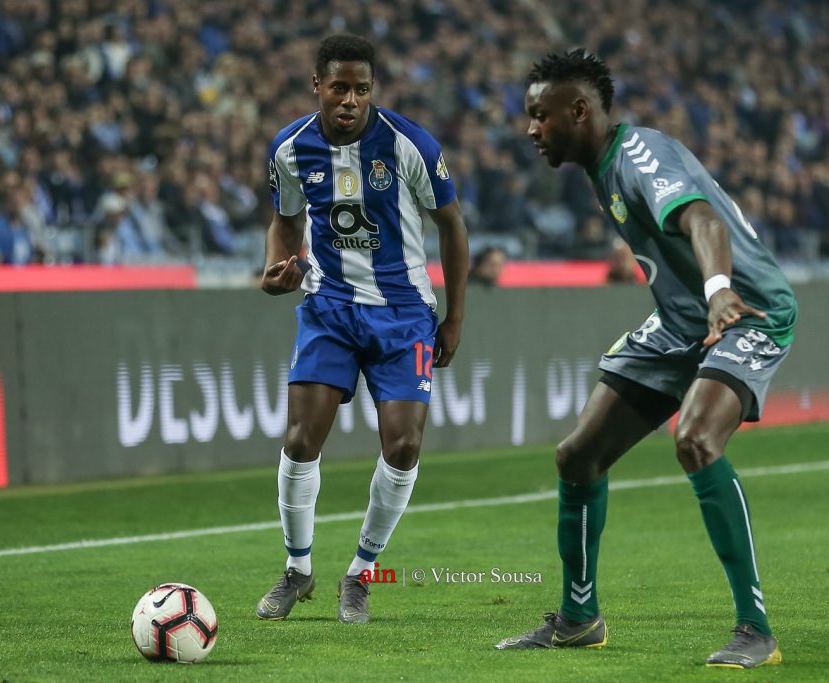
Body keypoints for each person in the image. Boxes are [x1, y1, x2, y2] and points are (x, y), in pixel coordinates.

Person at [495, 49, 797, 670]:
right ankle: (579, 618)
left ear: (580, 111)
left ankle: (755, 628)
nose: (531, 129)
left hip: (746, 309)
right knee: (577, 456)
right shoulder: (602, 166)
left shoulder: (640, 156)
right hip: (682, 317)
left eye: (541, 115)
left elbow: (703, 221)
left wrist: (719, 292)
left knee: (696, 440)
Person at [256, 34, 469, 624]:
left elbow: (452, 226)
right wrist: (277, 268)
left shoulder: (409, 145)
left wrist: (454, 316)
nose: (350, 100)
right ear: (317, 86)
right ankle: (298, 570)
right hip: (329, 306)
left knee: (403, 446)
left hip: (403, 314)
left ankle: (360, 574)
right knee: (302, 439)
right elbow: (285, 220)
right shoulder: (291, 149)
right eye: (340, 87)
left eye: (362, 89)